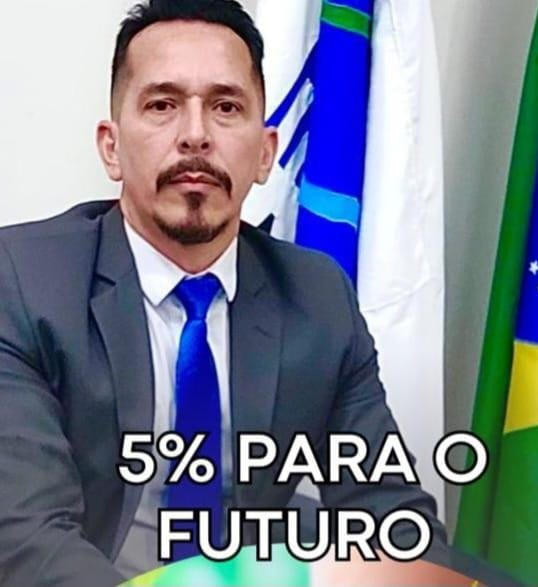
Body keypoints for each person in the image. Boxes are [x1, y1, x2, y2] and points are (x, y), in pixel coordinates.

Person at [0, 1, 447, 585]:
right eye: (162, 105)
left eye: (226, 107)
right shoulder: (23, 282)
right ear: (111, 146)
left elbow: (391, 517)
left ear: (265, 153)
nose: (195, 136)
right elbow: (28, 537)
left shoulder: (317, 299)